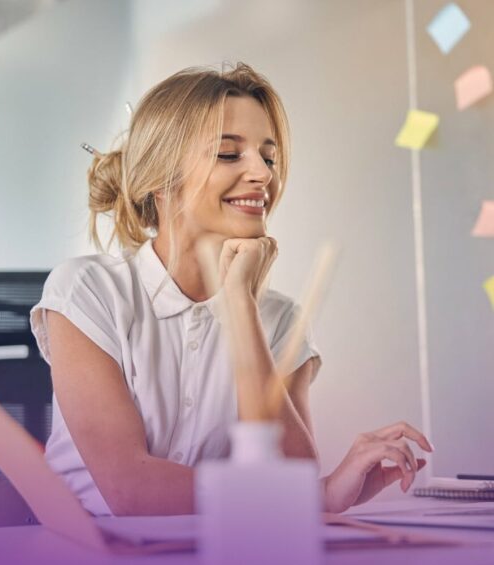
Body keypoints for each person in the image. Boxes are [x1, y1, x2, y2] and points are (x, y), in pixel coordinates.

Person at [30, 62, 432, 518]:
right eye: (228, 153)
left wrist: (240, 306)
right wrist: (308, 496)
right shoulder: (87, 292)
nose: (262, 174)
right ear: (161, 180)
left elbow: (293, 479)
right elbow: (132, 490)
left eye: (269, 157)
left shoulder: (279, 320)